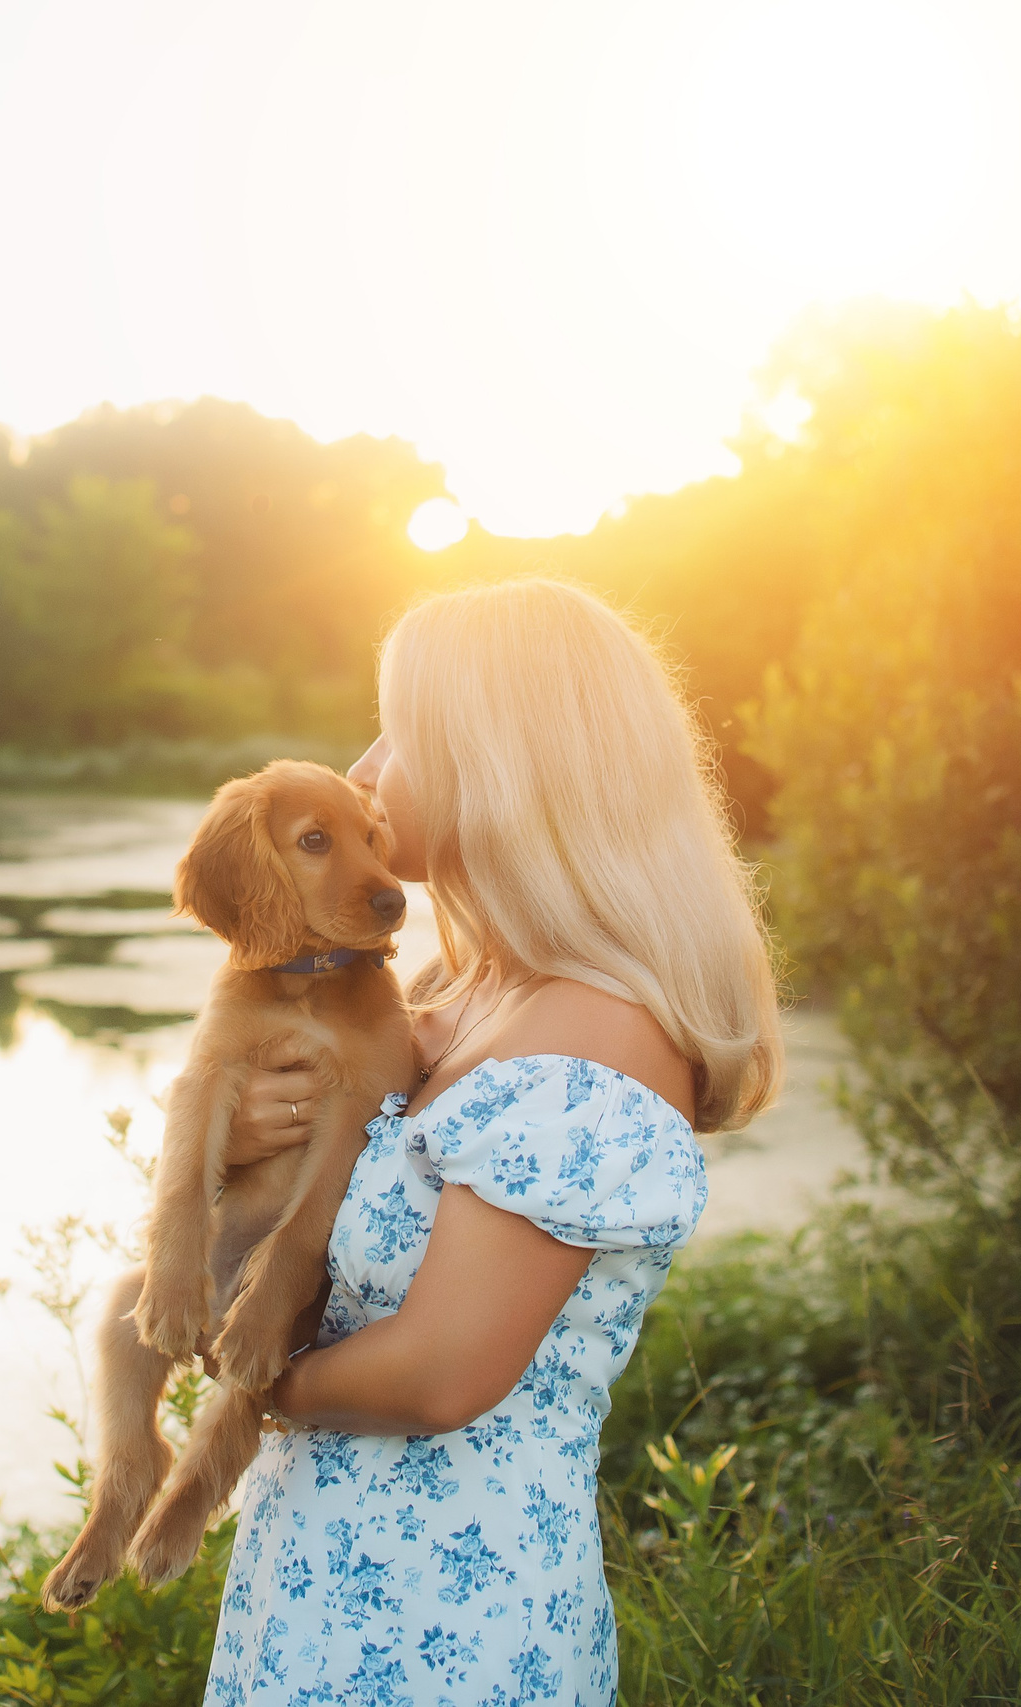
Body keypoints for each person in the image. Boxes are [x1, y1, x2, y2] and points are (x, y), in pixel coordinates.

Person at [198, 578, 782, 1706]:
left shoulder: (597, 1038)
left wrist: (240, 1374)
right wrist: (238, 1145)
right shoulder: (449, 994)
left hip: (445, 1625)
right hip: (317, 1587)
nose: (362, 768)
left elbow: (438, 1375)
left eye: (397, 735)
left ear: (497, 765)